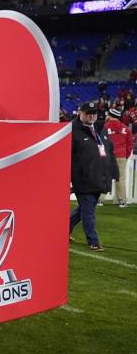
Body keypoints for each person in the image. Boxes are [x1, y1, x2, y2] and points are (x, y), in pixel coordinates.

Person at [70, 101, 118, 251]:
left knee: (85, 209)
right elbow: (66, 157)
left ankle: (62, 231)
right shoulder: (71, 131)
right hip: (83, 180)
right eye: (88, 113)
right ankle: (93, 240)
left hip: (99, 177)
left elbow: (109, 152)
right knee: (89, 210)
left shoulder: (100, 129)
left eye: (94, 113)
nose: (91, 116)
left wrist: (114, 171)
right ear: (80, 113)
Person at [104, 107, 132, 208]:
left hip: (108, 156)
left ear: (110, 116)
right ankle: (122, 201)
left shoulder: (105, 127)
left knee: (105, 176)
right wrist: (125, 155)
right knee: (120, 178)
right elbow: (130, 145)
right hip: (121, 155)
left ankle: (100, 199)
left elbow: (101, 142)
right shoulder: (126, 128)